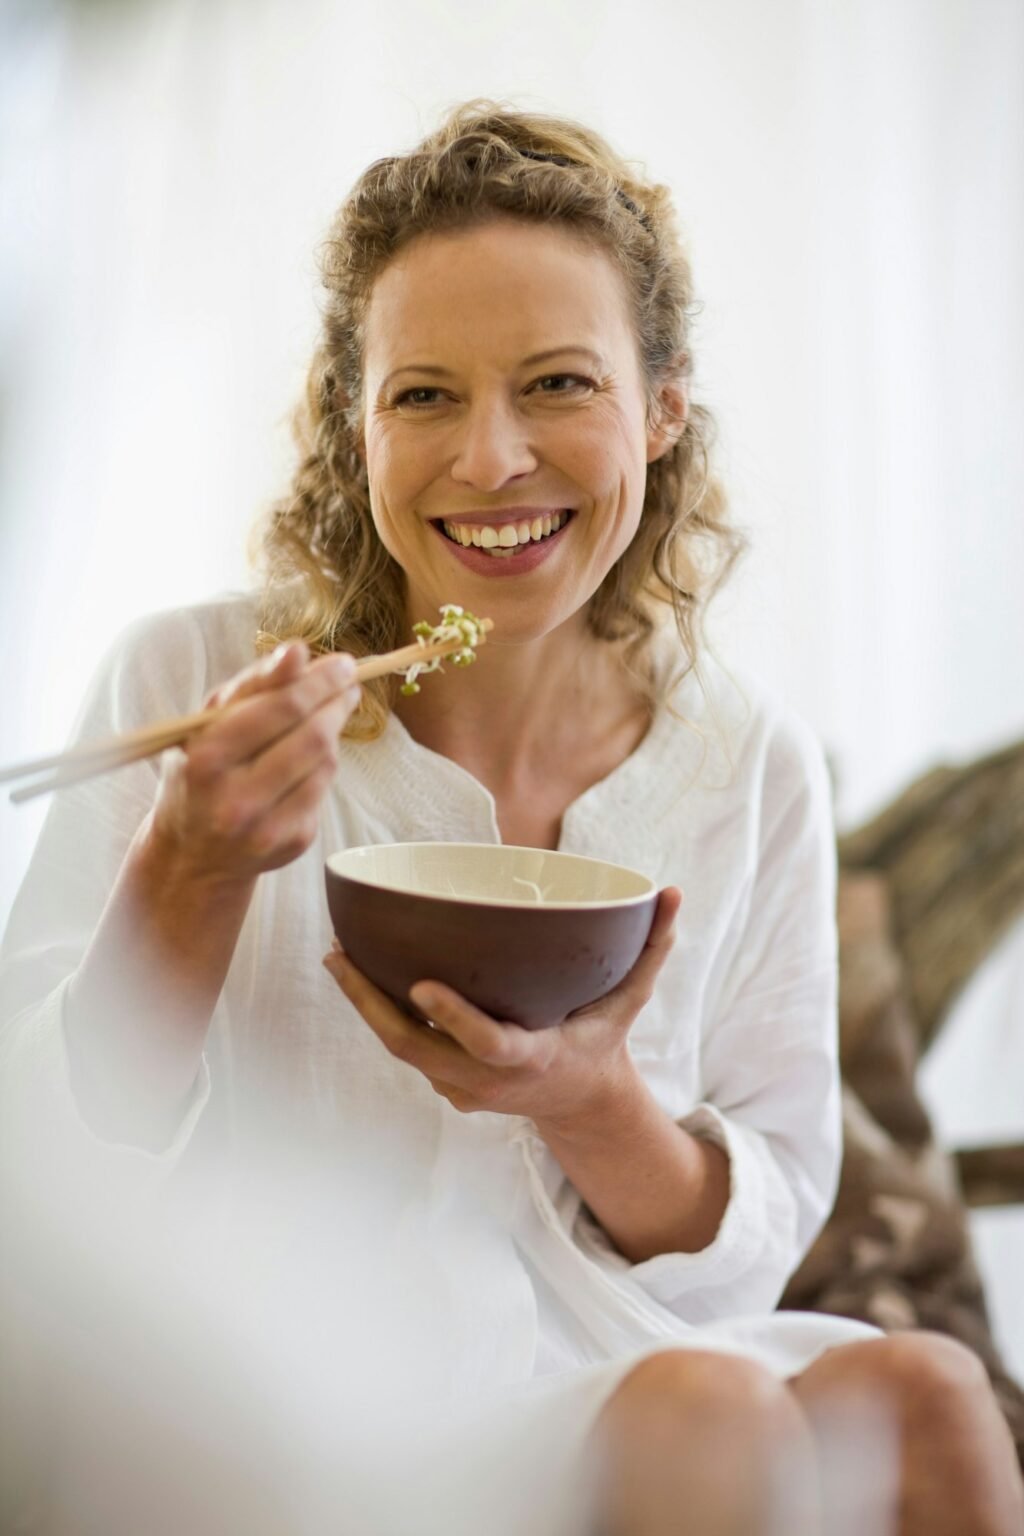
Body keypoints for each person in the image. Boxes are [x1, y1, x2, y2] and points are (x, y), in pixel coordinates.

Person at [1, 101, 1022, 1536]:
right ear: (350, 423)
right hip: (273, 1402)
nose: (489, 461)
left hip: (587, 1345)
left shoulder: (746, 763)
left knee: (931, 1398)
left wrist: (588, 1103)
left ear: (662, 408)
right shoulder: (194, 685)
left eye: (555, 384)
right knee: (708, 1412)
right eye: (422, 395)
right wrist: (190, 862)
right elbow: (40, 1166)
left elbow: (760, 1225)